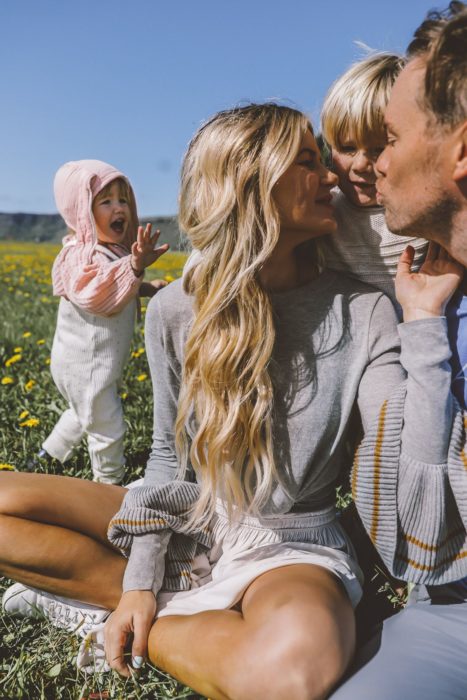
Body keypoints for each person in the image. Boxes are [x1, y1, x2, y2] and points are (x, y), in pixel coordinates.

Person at [0, 104, 460, 700]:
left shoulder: (363, 312)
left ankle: (139, 623)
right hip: (194, 510)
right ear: (250, 181)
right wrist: (140, 579)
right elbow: (168, 457)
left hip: (292, 542)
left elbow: (401, 457)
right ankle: (125, 598)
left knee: (293, 675)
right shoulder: (174, 310)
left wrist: (424, 323)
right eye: (306, 161)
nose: (330, 178)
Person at [331, 2, 467, 698]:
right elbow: (424, 545)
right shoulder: (435, 304)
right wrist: (421, 326)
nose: (371, 165)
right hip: (445, 614)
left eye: (386, 138)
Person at [38, 160, 168, 484]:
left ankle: (50, 455)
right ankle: (109, 486)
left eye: (123, 200)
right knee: (107, 424)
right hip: (87, 367)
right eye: (106, 201)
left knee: (83, 413)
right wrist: (136, 268)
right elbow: (96, 294)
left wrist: (146, 287)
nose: (118, 208)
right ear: (81, 210)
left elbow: (115, 287)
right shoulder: (85, 255)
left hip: (86, 366)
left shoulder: (110, 253)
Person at [319, 52, 427, 311]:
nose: (359, 165)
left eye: (378, 149)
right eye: (347, 148)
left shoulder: (428, 213)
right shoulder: (323, 211)